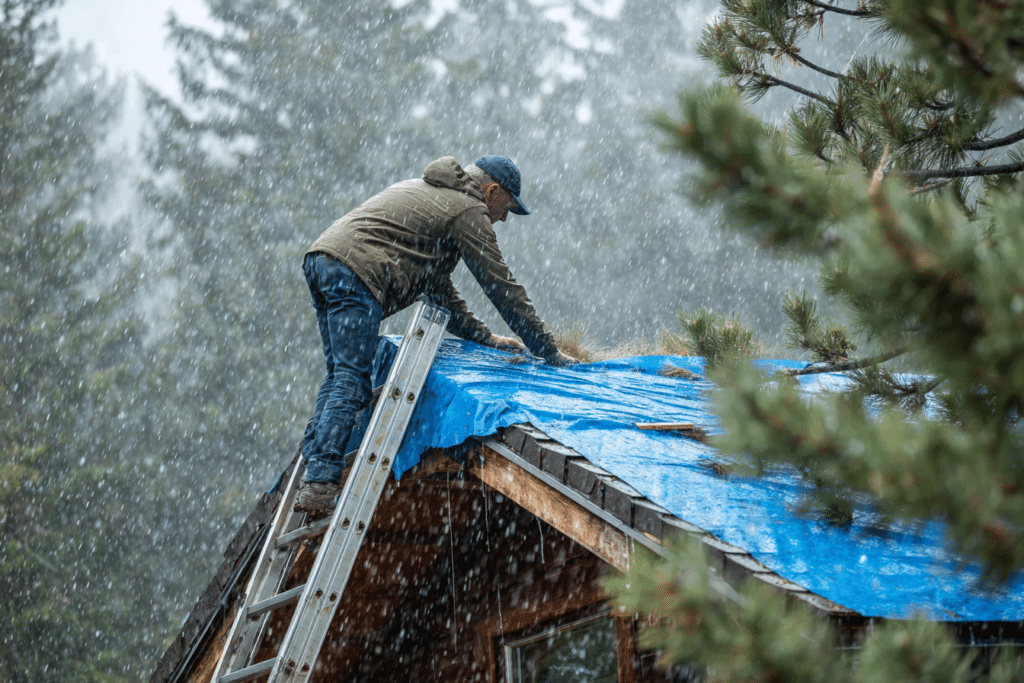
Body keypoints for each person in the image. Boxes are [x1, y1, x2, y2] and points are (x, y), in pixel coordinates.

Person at [296, 155, 578, 512]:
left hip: (324, 260)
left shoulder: (433, 195)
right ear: (491, 191)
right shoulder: (467, 209)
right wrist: (548, 351)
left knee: (340, 374)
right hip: (356, 270)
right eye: (505, 208)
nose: (503, 218)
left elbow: (438, 289)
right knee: (352, 379)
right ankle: (321, 481)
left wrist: (484, 337)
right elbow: (502, 288)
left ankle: (315, 469)